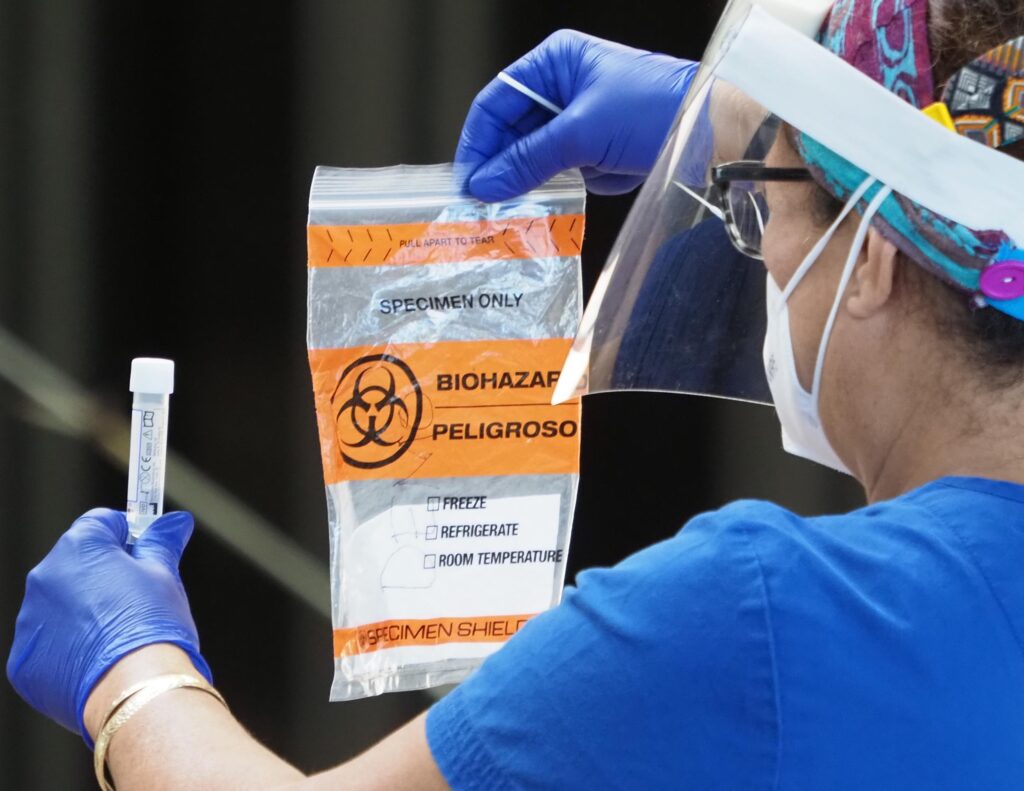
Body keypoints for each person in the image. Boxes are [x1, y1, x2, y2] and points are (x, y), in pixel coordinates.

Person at [9, 0, 1024, 788]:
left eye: (763, 210)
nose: (758, 254)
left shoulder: (755, 610)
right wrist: (723, 117)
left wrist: (132, 672)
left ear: (875, 256)